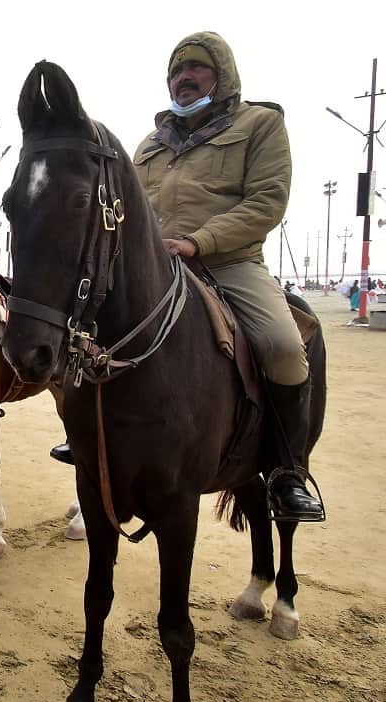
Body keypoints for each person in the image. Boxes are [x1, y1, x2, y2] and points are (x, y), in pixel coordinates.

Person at [117, 32, 320, 520]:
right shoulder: (149, 143)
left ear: (223, 74)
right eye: (176, 71)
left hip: (230, 264)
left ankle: (287, 471)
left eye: (196, 68)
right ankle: (89, 438)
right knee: (91, 330)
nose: (183, 78)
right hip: (156, 268)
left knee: (284, 347)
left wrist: (198, 242)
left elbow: (267, 200)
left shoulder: (261, 124)